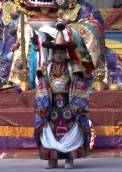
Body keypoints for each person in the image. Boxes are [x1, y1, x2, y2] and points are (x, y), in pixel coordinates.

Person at [34, 23, 91, 169]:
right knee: (50, 129)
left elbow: (80, 84)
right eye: (56, 53)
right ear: (53, 54)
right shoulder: (45, 67)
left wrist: (78, 104)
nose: (58, 55)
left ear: (65, 53)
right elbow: (41, 85)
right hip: (50, 103)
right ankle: (51, 159)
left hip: (69, 103)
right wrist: (42, 103)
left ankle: (69, 159)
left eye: (61, 52)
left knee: (70, 128)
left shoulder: (74, 66)